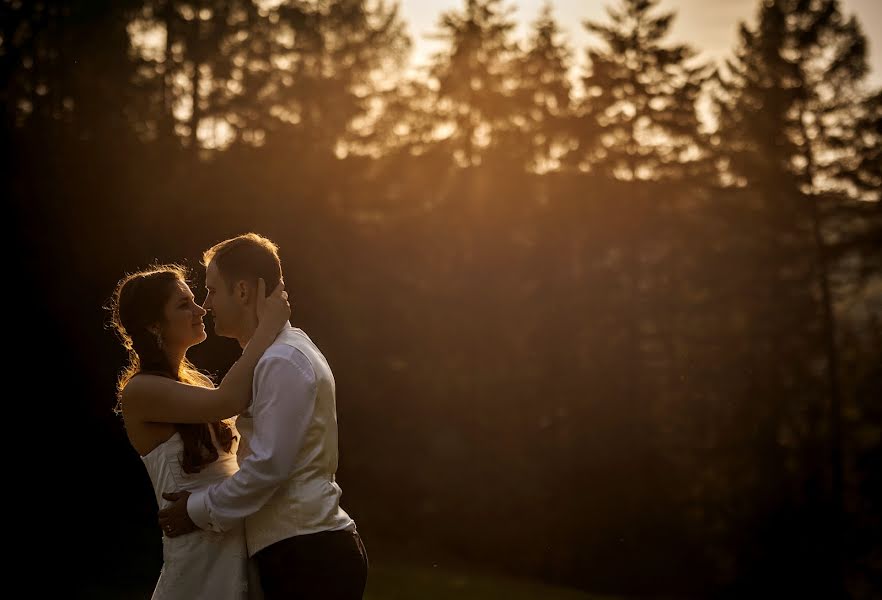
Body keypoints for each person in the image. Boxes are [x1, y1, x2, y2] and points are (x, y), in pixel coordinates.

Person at [158, 233, 368, 600]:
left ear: (242, 292)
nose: (206, 305)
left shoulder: (281, 361)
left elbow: (268, 467)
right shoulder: (278, 356)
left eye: (212, 291)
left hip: (308, 556)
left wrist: (194, 510)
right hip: (299, 552)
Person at [111, 263, 290, 600]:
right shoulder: (141, 392)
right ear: (153, 325)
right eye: (183, 305)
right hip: (197, 556)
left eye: (195, 299)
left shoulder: (201, 384)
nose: (201, 309)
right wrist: (266, 329)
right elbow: (231, 400)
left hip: (236, 543)